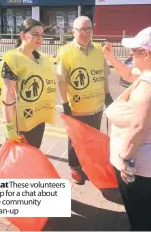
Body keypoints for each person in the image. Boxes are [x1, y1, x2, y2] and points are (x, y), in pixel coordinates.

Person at [103, 26, 151, 231]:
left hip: (138, 161)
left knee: (137, 207)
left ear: (146, 53)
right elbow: (129, 72)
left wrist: (124, 160)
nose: (131, 54)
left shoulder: (150, 84)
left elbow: (139, 128)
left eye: (134, 50)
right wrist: (111, 58)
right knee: (147, 202)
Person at [57, 16, 113, 184]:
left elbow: (104, 76)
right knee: (75, 140)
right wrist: (65, 103)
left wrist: (107, 95)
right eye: (82, 29)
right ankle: (75, 168)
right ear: (73, 31)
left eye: (89, 28)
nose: (86, 32)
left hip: (96, 107)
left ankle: (88, 166)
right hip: (77, 107)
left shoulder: (97, 50)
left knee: (93, 139)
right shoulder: (65, 51)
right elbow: (61, 81)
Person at [0, 18, 56, 148]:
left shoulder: (41, 59)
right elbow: (8, 95)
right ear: (23, 35)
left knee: (33, 155)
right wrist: (9, 126)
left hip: (38, 119)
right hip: (21, 124)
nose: (40, 38)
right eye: (35, 34)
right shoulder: (12, 59)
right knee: (19, 162)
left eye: (42, 35)